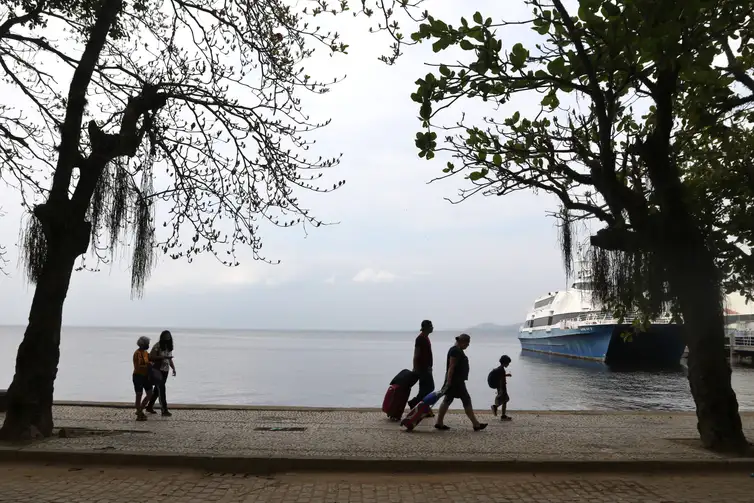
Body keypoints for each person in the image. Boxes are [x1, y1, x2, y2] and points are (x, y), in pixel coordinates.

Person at [434, 334, 487, 431]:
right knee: (465, 400)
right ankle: (476, 424)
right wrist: (449, 382)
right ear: (462, 342)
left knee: (448, 400)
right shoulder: (455, 351)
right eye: (467, 343)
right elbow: (451, 367)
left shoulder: (457, 350)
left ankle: (439, 422)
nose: (468, 345)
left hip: (456, 381)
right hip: (456, 382)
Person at [146, 330, 176, 417]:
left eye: (169, 335)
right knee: (161, 390)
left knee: (157, 390)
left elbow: (170, 359)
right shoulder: (158, 345)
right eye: (166, 335)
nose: (167, 337)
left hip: (165, 370)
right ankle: (164, 410)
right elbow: (151, 356)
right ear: (162, 337)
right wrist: (163, 357)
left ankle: (149, 406)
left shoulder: (169, 346)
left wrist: (173, 368)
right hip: (158, 370)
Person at [407, 320, 435, 413]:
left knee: (425, 389)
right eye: (431, 326)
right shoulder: (420, 338)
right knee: (429, 388)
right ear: (426, 328)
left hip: (426, 368)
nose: (432, 327)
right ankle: (415, 403)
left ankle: (422, 408)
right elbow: (416, 354)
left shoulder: (426, 337)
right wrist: (415, 368)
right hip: (422, 368)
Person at [132, 336, 153, 421]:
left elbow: (150, 360)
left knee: (150, 394)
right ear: (143, 344)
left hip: (146, 376)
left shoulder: (146, 353)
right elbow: (138, 366)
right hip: (138, 376)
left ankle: (140, 410)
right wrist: (148, 365)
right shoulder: (137, 353)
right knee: (139, 395)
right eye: (147, 344)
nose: (148, 345)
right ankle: (139, 412)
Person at [490, 355, 512, 421]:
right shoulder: (502, 370)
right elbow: (501, 380)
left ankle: (503, 415)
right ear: (505, 363)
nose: (508, 364)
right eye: (508, 363)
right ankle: (495, 407)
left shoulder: (500, 368)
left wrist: (506, 375)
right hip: (502, 387)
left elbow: (501, 376)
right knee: (505, 400)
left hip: (500, 387)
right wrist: (501, 389)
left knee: (505, 400)